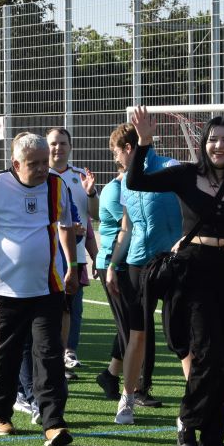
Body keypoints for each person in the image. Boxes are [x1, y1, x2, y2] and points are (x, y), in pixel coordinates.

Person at [127, 106, 224, 446]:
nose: (218, 146)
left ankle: (214, 437)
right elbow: (136, 181)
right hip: (195, 273)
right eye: (213, 140)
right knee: (206, 354)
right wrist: (144, 143)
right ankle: (187, 421)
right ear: (204, 143)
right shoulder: (185, 175)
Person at [0, 133, 77, 446]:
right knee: (6, 354)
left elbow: (66, 226)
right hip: (7, 291)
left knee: (50, 355)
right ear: (17, 164)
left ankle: (53, 422)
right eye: (35, 163)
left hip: (48, 288)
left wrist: (71, 266)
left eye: (45, 161)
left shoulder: (57, 185)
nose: (44, 168)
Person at [105, 122, 181, 423]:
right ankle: (128, 397)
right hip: (137, 266)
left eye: (116, 153)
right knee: (136, 334)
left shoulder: (170, 167)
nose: (115, 160)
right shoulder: (125, 181)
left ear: (128, 149)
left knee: (181, 335)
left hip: (173, 263)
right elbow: (127, 227)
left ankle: (193, 404)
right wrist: (113, 264)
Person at [46, 127, 99, 377]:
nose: (58, 148)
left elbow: (93, 218)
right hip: (45, 258)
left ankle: (69, 353)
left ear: (70, 146)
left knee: (73, 308)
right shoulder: (36, 175)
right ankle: (51, 355)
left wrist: (91, 192)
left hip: (73, 257)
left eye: (63, 143)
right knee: (52, 308)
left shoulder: (80, 176)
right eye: (53, 143)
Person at [94, 165, 128, 401]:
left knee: (131, 326)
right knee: (130, 327)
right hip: (112, 264)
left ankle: (111, 374)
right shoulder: (115, 191)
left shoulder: (129, 189)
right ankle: (136, 384)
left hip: (129, 263)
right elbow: (130, 227)